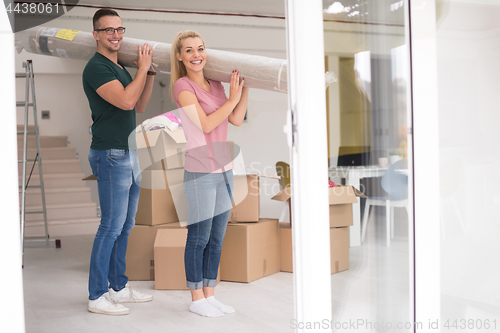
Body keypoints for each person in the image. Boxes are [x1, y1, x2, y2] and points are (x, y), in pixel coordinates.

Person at [82, 8, 156, 316]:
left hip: (129, 152)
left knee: (125, 225)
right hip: (110, 153)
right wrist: (142, 69)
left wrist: (147, 73)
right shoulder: (97, 68)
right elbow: (124, 101)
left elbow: (138, 104)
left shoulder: (120, 68)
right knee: (110, 226)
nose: (116, 34)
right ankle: (97, 295)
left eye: (119, 29)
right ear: (96, 34)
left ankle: (118, 287)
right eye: (109, 30)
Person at [171, 30, 249, 317]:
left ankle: (210, 294)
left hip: (225, 169)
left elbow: (236, 119)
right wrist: (231, 100)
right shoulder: (182, 87)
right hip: (200, 171)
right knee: (199, 237)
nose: (196, 55)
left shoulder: (216, 84)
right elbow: (205, 124)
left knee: (217, 238)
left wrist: (244, 89)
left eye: (200, 49)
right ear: (180, 56)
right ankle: (196, 298)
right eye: (189, 50)